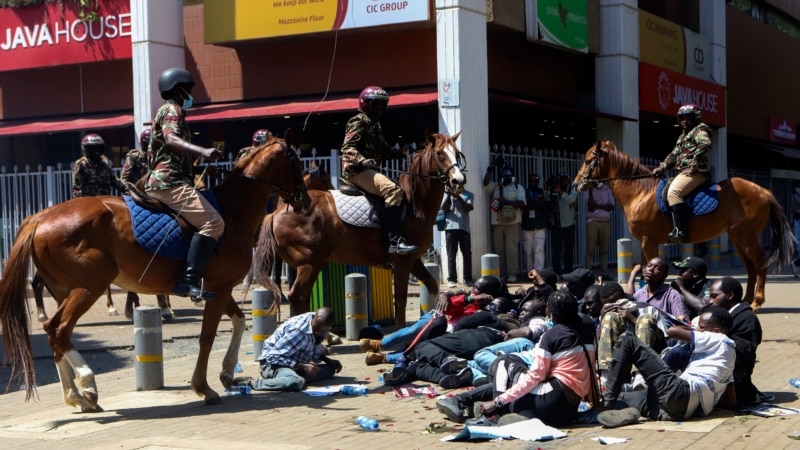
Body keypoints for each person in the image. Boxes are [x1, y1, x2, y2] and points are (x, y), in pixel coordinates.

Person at [436, 290, 598, 427]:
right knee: (515, 376)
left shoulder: (551, 336)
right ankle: (468, 402)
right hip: (568, 411)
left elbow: (536, 376)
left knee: (504, 363)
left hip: (550, 404)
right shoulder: (587, 331)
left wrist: (498, 401)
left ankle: (495, 414)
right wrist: (597, 404)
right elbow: (590, 370)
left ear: (551, 312)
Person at [145, 67, 224, 301]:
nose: (190, 94)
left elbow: (167, 155)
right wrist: (203, 151)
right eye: (188, 89)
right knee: (213, 223)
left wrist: (199, 168)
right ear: (177, 89)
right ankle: (188, 281)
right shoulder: (173, 109)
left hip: (168, 178)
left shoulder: (166, 110)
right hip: (169, 183)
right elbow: (171, 139)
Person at [598, 306, 735, 427]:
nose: (698, 329)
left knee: (628, 340)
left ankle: (606, 406)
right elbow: (731, 400)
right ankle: (630, 411)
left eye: (702, 327)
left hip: (680, 393)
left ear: (716, 331)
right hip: (680, 411)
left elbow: (672, 331)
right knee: (622, 397)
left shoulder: (720, 339)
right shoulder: (727, 361)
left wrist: (691, 329)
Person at [340, 86, 416, 255]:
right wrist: (362, 160)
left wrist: (401, 153)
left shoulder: (376, 125)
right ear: (366, 104)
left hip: (368, 171)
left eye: (383, 106)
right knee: (393, 191)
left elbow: (384, 151)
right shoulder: (358, 120)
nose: (381, 109)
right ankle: (395, 242)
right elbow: (347, 148)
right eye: (377, 105)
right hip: (356, 171)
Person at [360, 276, 503, 365]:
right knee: (417, 328)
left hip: (448, 334)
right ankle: (380, 344)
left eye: (477, 289)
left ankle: (383, 358)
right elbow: (446, 308)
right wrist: (468, 298)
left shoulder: (488, 310)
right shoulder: (467, 297)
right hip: (437, 320)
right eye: (473, 287)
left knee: (421, 350)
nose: (473, 290)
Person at [597, 258, 687, 387]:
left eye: (657, 268)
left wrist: (633, 320)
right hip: (635, 341)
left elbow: (681, 324)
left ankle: (640, 376)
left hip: (661, 341)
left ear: (665, 275)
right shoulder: (639, 294)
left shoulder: (672, 295)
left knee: (645, 319)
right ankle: (606, 377)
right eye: (649, 266)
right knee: (611, 316)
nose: (650, 269)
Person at [233, 307, 342, 392]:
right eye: (317, 329)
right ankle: (252, 383)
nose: (319, 333)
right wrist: (302, 366)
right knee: (296, 382)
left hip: (296, 364)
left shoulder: (316, 322)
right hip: (272, 365)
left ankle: (287, 378)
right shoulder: (298, 331)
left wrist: (327, 359)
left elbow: (310, 347)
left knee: (330, 370)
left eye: (322, 330)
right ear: (314, 319)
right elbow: (272, 357)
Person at [652, 104, 711, 243]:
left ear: (695, 119)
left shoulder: (699, 130)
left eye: (688, 118)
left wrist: (694, 164)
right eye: (682, 118)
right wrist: (662, 167)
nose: (684, 121)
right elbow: (673, 156)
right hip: (683, 173)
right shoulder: (681, 137)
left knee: (674, 192)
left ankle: (681, 230)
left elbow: (705, 144)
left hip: (697, 173)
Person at [706, 277, 766, 407]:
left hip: (734, 376)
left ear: (729, 295)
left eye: (714, 296)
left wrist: (713, 337)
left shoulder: (747, 318)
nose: (710, 301)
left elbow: (744, 349)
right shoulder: (724, 315)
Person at [483, 164, 526, 282]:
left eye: (508, 174)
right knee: (499, 249)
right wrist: (490, 168)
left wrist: (506, 201)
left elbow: (522, 203)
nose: (506, 176)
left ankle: (512, 273)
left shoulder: (518, 188)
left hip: (512, 223)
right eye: (504, 174)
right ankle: (501, 273)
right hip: (498, 223)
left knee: (512, 249)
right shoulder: (496, 187)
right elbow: (485, 183)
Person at [72, 133, 127, 198]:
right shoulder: (81, 164)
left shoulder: (104, 163)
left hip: (106, 200)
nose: (96, 151)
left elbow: (113, 180)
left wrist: (124, 188)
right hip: (89, 202)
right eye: (93, 148)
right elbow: (76, 189)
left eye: (98, 148)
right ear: (86, 149)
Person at [441, 186, 474, 288]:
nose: (457, 185)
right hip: (450, 227)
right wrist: (449, 195)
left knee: (467, 255)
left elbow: (468, 208)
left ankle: (468, 279)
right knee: (451, 255)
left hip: (464, 228)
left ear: (463, 182)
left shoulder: (469, 194)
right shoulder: (446, 194)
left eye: (459, 182)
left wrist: (458, 196)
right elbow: (443, 207)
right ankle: (452, 279)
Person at [585, 182, 615, 278]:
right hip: (592, 221)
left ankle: (604, 272)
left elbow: (611, 206)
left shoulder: (607, 190)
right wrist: (590, 189)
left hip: (605, 222)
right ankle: (588, 272)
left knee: (604, 249)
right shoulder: (589, 190)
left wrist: (597, 206)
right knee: (590, 249)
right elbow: (590, 206)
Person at [521, 173, 549, 273]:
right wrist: (530, 205)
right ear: (528, 182)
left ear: (538, 182)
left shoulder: (542, 193)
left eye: (535, 181)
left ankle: (539, 272)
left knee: (539, 250)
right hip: (527, 226)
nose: (533, 183)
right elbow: (521, 209)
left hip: (540, 226)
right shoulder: (524, 192)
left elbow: (548, 209)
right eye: (531, 181)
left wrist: (542, 203)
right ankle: (530, 272)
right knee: (528, 251)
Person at [550, 174, 577, 274]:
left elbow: (571, 199)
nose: (563, 183)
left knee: (568, 249)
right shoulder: (555, 191)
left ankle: (568, 270)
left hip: (569, 224)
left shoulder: (572, 191)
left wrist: (561, 192)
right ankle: (556, 270)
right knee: (556, 249)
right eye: (562, 181)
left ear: (569, 182)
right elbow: (548, 200)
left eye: (566, 181)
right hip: (556, 224)